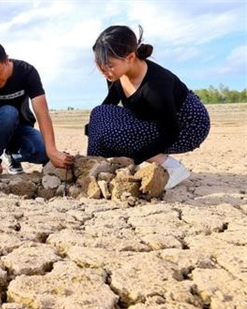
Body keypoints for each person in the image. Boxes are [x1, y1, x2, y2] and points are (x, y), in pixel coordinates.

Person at [88, 25, 210, 189]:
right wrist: (93, 131)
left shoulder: (155, 86)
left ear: (130, 57)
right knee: (98, 116)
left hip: (186, 126)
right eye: (100, 66)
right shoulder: (116, 74)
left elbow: (170, 132)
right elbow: (108, 105)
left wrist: (133, 160)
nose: (104, 71)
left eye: (108, 66)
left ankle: (172, 167)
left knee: (113, 134)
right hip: (153, 119)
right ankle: (96, 168)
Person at [0, 40, 73, 178]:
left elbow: (42, 113)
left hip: (21, 129)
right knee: (8, 113)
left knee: (43, 152)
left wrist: (52, 151)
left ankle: (12, 156)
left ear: (7, 60)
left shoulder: (27, 72)